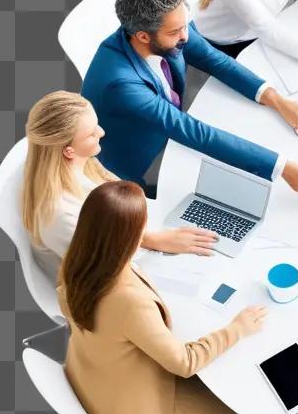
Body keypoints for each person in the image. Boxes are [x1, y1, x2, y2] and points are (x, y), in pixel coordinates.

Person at [58, 181, 280, 414]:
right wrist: (238, 328)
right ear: (126, 237)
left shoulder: (76, 263)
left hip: (92, 378)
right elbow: (184, 362)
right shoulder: (129, 302)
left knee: (216, 384)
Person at [82, 0, 298, 196]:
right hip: (143, 161)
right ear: (143, 36)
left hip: (171, 125)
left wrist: (279, 101)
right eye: (175, 32)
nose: (185, 36)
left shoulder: (170, 23)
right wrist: (282, 168)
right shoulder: (120, 84)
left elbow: (215, 60)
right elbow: (194, 133)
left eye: (185, 24)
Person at [22, 91, 218, 277]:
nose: (101, 132)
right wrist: (151, 240)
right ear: (69, 151)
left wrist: (150, 238)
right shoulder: (61, 214)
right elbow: (106, 268)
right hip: (107, 281)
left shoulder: (84, 164)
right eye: (91, 133)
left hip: (128, 253)